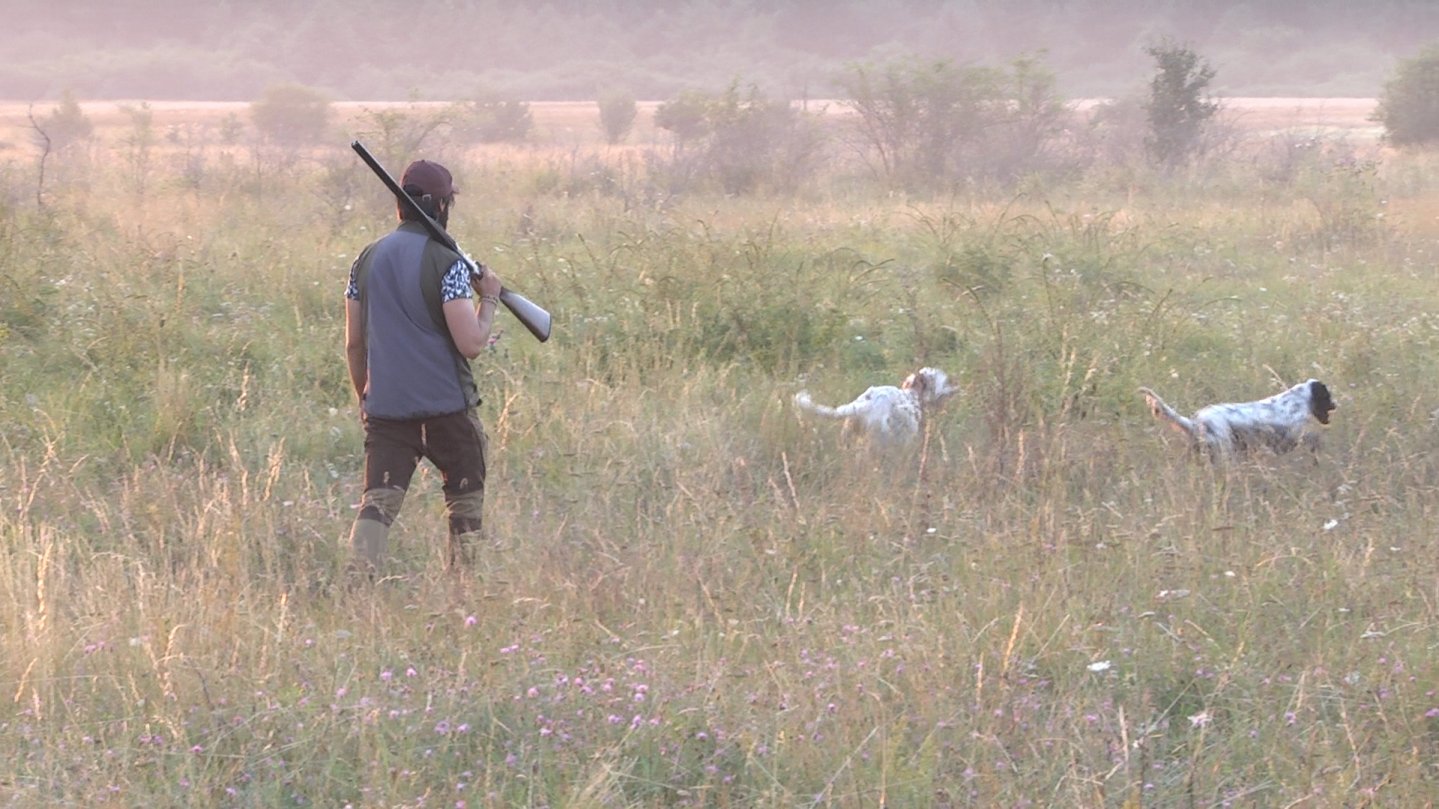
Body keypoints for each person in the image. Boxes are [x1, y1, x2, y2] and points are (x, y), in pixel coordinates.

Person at [343, 158, 503, 575]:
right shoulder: (447, 263)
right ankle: (465, 593)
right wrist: (489, 298)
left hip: (387, 409)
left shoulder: (365, 260)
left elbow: (354, 344)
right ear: (440, 207)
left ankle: (358, 587)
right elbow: (470, 343)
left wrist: (366, 396)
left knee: (377, 505)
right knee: (465, 504)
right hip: (447, 408)